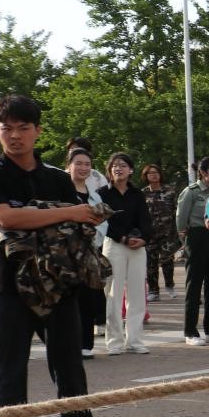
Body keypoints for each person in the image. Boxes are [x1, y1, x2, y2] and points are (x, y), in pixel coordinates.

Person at [0, 94, 109, 417]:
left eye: (23, 128)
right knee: (10, 369)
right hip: (7, 286)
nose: (15, 135)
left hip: (58, 285)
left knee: (70, 366)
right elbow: (6, 218)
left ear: (37, 132)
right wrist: (69, 211)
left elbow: (80, 226)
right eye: (6, 128)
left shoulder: (57, 178)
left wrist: (72, 215)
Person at [97, 152, 152, 355]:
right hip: (114, 245)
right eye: (114, 165)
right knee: (113, 293)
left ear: (131, 170)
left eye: (123, 165)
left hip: (137, 247)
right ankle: (114, 341)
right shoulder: (102, 193)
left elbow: (145, 219)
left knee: (137, 294)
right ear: (109, 170)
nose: (118, 169)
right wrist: (122, 238)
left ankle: (135, 340)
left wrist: (144, 238)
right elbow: (103, 222)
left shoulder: (137, 194)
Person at [65, 148, 109, 359]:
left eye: (87, 164)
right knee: (66, 300)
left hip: (89, 253)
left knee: (87, 299)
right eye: (78, 163)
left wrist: (93, 235)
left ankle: (86, 345)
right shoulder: (61, 191)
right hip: (64, 253)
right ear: (69, 166)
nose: (83, 168)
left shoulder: (94, 196)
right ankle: (68, 343)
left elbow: (103, 224)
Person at [178, 157, 209, 345]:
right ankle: (190, 332)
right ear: (203, 173)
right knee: (194, 285)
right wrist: (185, 241)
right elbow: (181, 219)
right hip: (196, 237)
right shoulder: (192, 192)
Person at [141, 164, 179, 302]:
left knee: (167, 261)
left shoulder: (169, 191)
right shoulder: (143, 193)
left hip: (167, 234)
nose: (154, 175)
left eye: (156, 172)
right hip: (149, 235)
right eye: (150, 173)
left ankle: (170, 286)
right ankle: (153, 291)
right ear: (146, 176)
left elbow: (177, 211)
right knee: (151, 264)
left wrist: (179, 230)